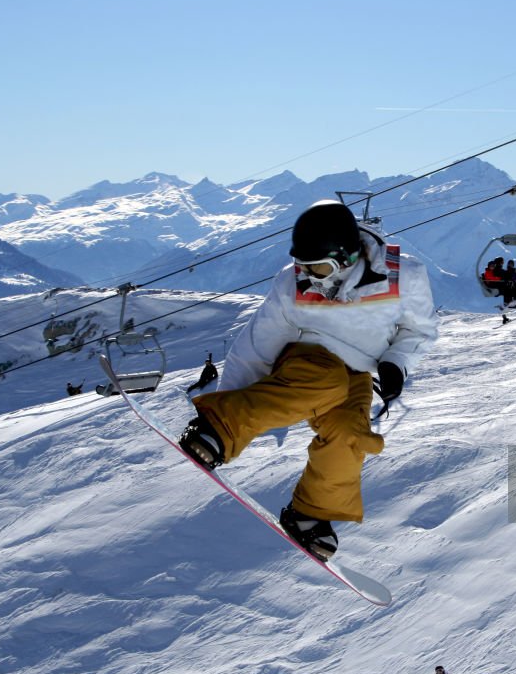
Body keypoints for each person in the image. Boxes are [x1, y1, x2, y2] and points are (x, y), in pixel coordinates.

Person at [178, 199, 438, 560]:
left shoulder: (403, 276)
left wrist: (396, 362)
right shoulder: (293, 284)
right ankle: (223, 427)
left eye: (317, 267)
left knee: (350, 432)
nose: (309, 275)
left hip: (358, 370)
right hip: (305, 360)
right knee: (328, 379)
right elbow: (257, 345)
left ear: (346, 258)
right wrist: (216, 423)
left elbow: (418, 329)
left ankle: (309, 513)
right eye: (302, 265)